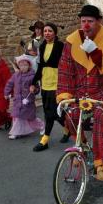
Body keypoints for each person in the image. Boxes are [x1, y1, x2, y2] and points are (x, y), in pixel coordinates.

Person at [56, 5, 103, 182]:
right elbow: (65, 69)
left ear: (98, 22)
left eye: (90, 21)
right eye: (83, 21)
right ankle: (82, 146)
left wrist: (96, 53)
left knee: (100, 116)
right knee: (70, 114)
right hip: (82, 89)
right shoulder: (72, 40)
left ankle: (101, 163)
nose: (86, 25)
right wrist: (64, 95)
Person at [31, 23, 67, 151]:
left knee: (51, 112)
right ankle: (68, 129)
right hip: (45, 82)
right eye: (45, 31)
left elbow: (66, 64)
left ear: (55, 33)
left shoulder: (61, 46)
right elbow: (40, 66)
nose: (46, 33)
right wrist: (33, 82)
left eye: (50, 31)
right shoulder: (42, 46)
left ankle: (45, 139)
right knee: (51, 112)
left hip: (57, 82)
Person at [4, 55, 44, 139]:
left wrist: (34, 89)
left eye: (25, 65)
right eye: (21, 65)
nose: (23, 67)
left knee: (29, 117)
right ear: (18, 66)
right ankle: (16, 132)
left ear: (29, 65)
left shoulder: (32, 76)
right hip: (17, 100)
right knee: (16, 116)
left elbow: (37, 88)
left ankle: (41, 125)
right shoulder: (16, 75)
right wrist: (6, 93)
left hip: (28, 101)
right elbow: (10, 84)